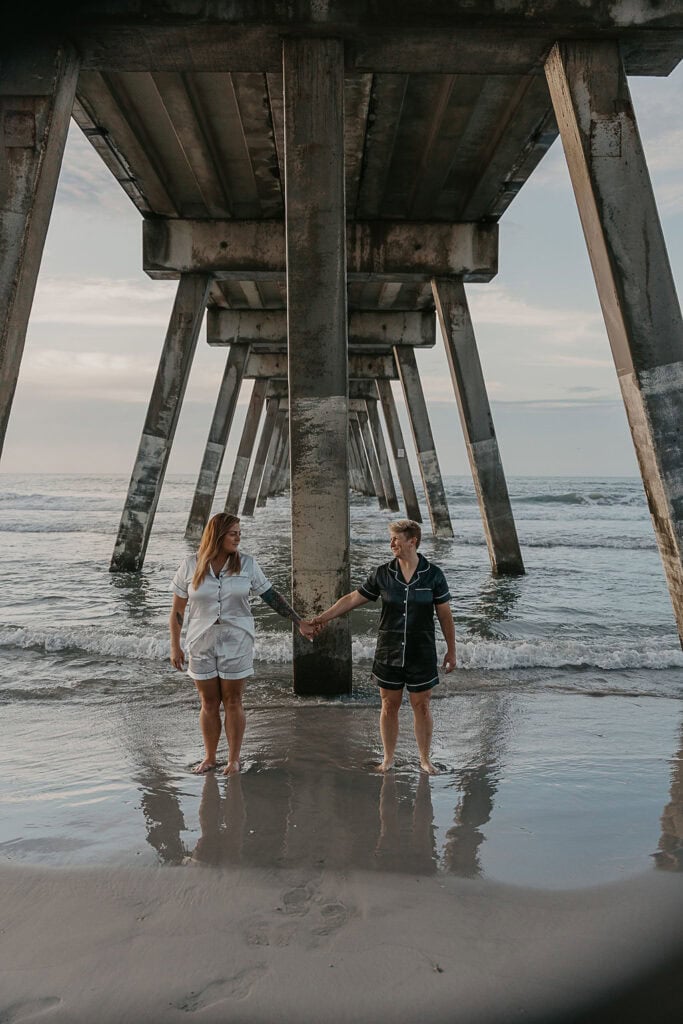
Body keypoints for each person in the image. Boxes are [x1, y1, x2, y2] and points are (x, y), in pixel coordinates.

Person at [170, 512, 316, 775]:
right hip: (200, 642)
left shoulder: (247, 564)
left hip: (237, 640)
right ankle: (210, 757)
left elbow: (271, 596)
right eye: (233, 533)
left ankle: (234, 760)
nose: (238, 537)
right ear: (217, 535)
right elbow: (178, 610)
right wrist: (175, 645)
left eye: (239, 532)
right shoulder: (190, 565)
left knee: (233, 700)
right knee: (208, 702)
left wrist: (298, 621)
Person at [312, 519, 456, 774]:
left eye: (396, 539)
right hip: (388, 650)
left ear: (412, 541)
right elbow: (353, 599)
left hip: (421, 651)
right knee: (389, 705)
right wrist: (324, 617)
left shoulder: (434, 575)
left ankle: (424, 760)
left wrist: (451, 650)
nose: (391, 544)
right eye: (391, 539)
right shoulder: (383, 573)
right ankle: (388, 759)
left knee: (421, 706)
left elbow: (445, 615)